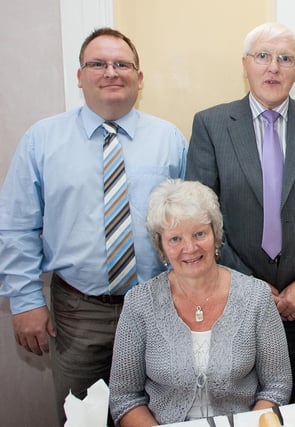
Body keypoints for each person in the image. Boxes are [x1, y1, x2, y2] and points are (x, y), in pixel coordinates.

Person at [0, 28, 187, 425]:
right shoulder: (42, 140)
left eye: (122, 64)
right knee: (83, 414)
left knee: (159, 411)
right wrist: (26, 301)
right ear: (80, 75)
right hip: (80, 311)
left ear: (140, 77)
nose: (111, 72)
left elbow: (189, 224)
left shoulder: (169, 140)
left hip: (157, 306)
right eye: (98, 64)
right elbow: (16, 226)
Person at [185, 22, 295, 400]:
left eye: (285, 59)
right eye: (263, 56)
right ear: (245, 65)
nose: (273, 67)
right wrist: (249, 287)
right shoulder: (211, 125)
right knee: (236, 398)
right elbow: (201, 220)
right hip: (230, 296)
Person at [109, 179, 292, 426]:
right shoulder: (139, 303)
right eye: (175, 239)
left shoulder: (256, 297)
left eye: (199, 234)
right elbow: (125, 398)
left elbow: (277, 386)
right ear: (161, 246)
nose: (190, 248)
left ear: (215, 235)